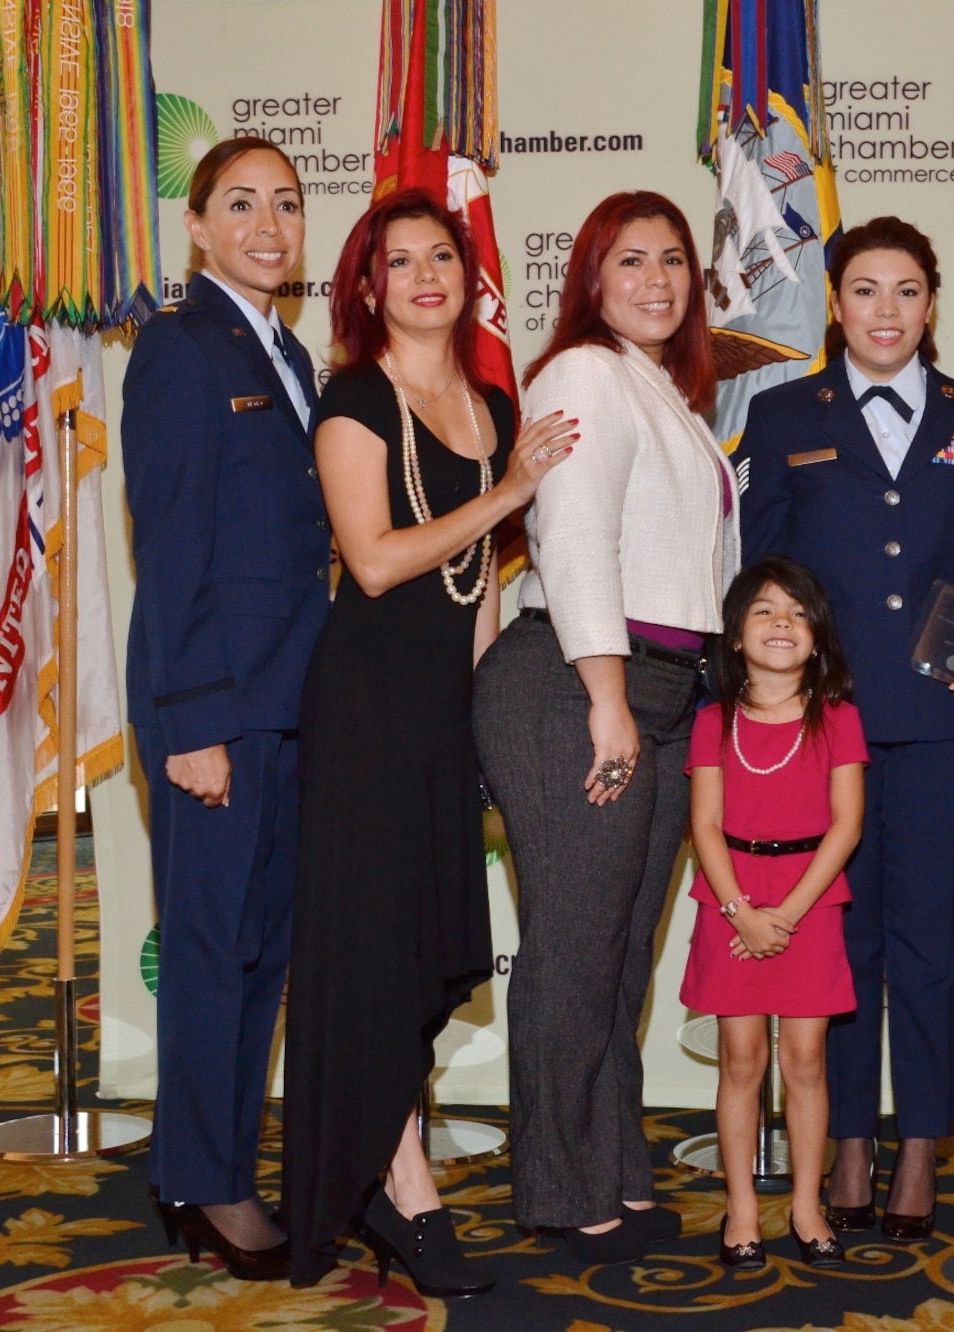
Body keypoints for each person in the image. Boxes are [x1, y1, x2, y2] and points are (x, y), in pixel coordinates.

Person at [279, 190, 576, 1293]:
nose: (423, 276)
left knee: (416, 954)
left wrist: (486, 715)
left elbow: (479, 592)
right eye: (397, 261)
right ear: (368, 287)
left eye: (439, 255)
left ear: (467, 272)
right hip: (361, 709)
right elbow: (373, 562)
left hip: (443, 715)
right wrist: (507, 492)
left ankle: (379, 1172)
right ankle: (399, 1185)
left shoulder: (494, 401)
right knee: (368, 956)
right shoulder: (352, 399)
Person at [732, 216, 954, 1240]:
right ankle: (849, 1141)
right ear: (833, 302)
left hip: (949, 724)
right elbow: (761, 576)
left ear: (930, 302)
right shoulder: (782, 418)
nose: (885, 311)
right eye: (864, 290)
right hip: (826, 728)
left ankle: (919, 1148)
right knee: (840, 940)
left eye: (906, 290)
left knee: (934, 939)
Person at [473, 190, 737, 1264]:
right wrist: (607, 699)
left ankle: (612, 1170)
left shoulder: (667, 392)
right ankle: (553, 1188)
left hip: (663, 692)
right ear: (590, 277)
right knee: (573, 953)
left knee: (621, 955)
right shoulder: (582, 372)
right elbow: (573, 542)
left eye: (673, 261)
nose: (657, 281)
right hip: (577, 682)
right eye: (629, 261)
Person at [121, 137, 325, 1281]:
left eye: (286, 204)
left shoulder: (288, 351)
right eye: (240, 204)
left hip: (289, 701)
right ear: (195, 226)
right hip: (215, 709)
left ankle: (224, 1162)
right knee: (208, 948)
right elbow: (173, 543)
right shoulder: (181, 347)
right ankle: (200, 1181)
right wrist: (191, 719)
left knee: (258, 951)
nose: (267, 223)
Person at [681, 558, 866, 1272]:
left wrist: (784, 914)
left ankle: (807, 1207)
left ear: (817, 638)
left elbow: (845, 827)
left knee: (807, 1062)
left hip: (810, 901)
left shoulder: (839, 718)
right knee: (741, 1060)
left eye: (796, 612)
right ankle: (742, 1211)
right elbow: (704, 826)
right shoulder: (711, 722)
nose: (781, 623)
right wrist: (741, 913)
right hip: (729, 901)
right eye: (762, 610)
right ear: (733, 637)